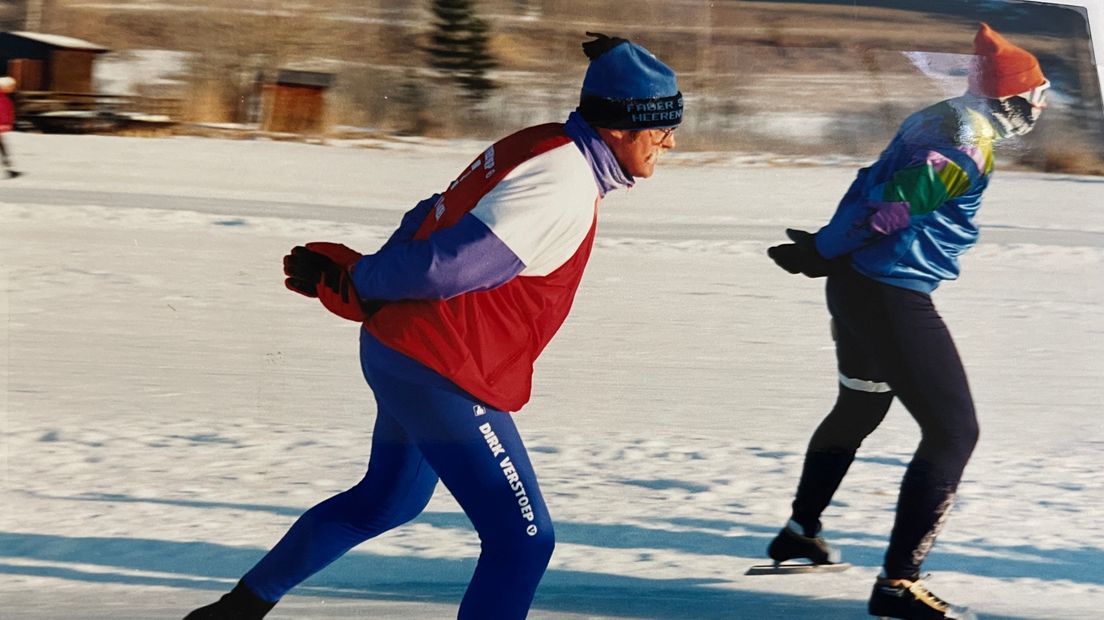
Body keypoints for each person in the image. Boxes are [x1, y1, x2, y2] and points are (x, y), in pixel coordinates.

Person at [184, 32, 681, 620]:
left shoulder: (538, 143)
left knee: (384, 501)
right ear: (622, 125)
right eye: (662, 128)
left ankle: (234, 611)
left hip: (406, 355)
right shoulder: (562, 184)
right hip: (442, 372)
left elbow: (430, 214)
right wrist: (365, 282)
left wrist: (367, 287)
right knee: (522, 540)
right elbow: (453, 265)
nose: (671, 142)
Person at [764, 23, 1048, 620]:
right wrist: (824, 249)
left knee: (861, 406)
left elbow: (868, 182)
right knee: (954, 433)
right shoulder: (966, 147)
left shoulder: (938, 116)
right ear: (1011, 101)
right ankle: (899, 584)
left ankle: (799, 530)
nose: (1042, 106)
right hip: (890, 295)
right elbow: (890, 208)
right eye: (1038, 94)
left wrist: (828, 250)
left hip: (857, 286)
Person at [0, 76, 19, 178]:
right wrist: (5, 124)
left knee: (3, 148)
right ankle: (7, 168)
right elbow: (3, 112)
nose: (12, 89)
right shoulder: (2, 98)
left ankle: (7, 167)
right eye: (11, 87)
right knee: (3, 148)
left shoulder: (5, 98)